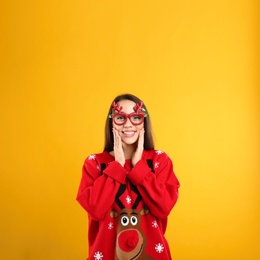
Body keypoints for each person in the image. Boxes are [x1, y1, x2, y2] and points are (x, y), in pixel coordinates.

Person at [76, 93, 180, 260]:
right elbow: (95, 209)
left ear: (144, 122)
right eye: (120, 118)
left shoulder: (160, 161)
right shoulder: (94, 164)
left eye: (136, 117)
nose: (128, 124)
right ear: (111, 122)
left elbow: (164, 207)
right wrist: (116, 165)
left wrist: (139, 166)